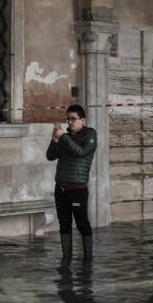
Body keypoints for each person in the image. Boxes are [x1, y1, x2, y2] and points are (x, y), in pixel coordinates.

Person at [46, 104, 97, 261]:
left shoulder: (90, 135)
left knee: (82, 224)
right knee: (64, 224)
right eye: (68, 119)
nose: (70, 122)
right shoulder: (65, 137)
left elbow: (81, 152)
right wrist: (55, 140)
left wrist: (63, 137)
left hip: (78, 189)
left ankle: (88, 260)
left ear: (82, 120)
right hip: (61, 188)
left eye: (73, 119)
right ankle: (66, 259)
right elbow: (50, 156)